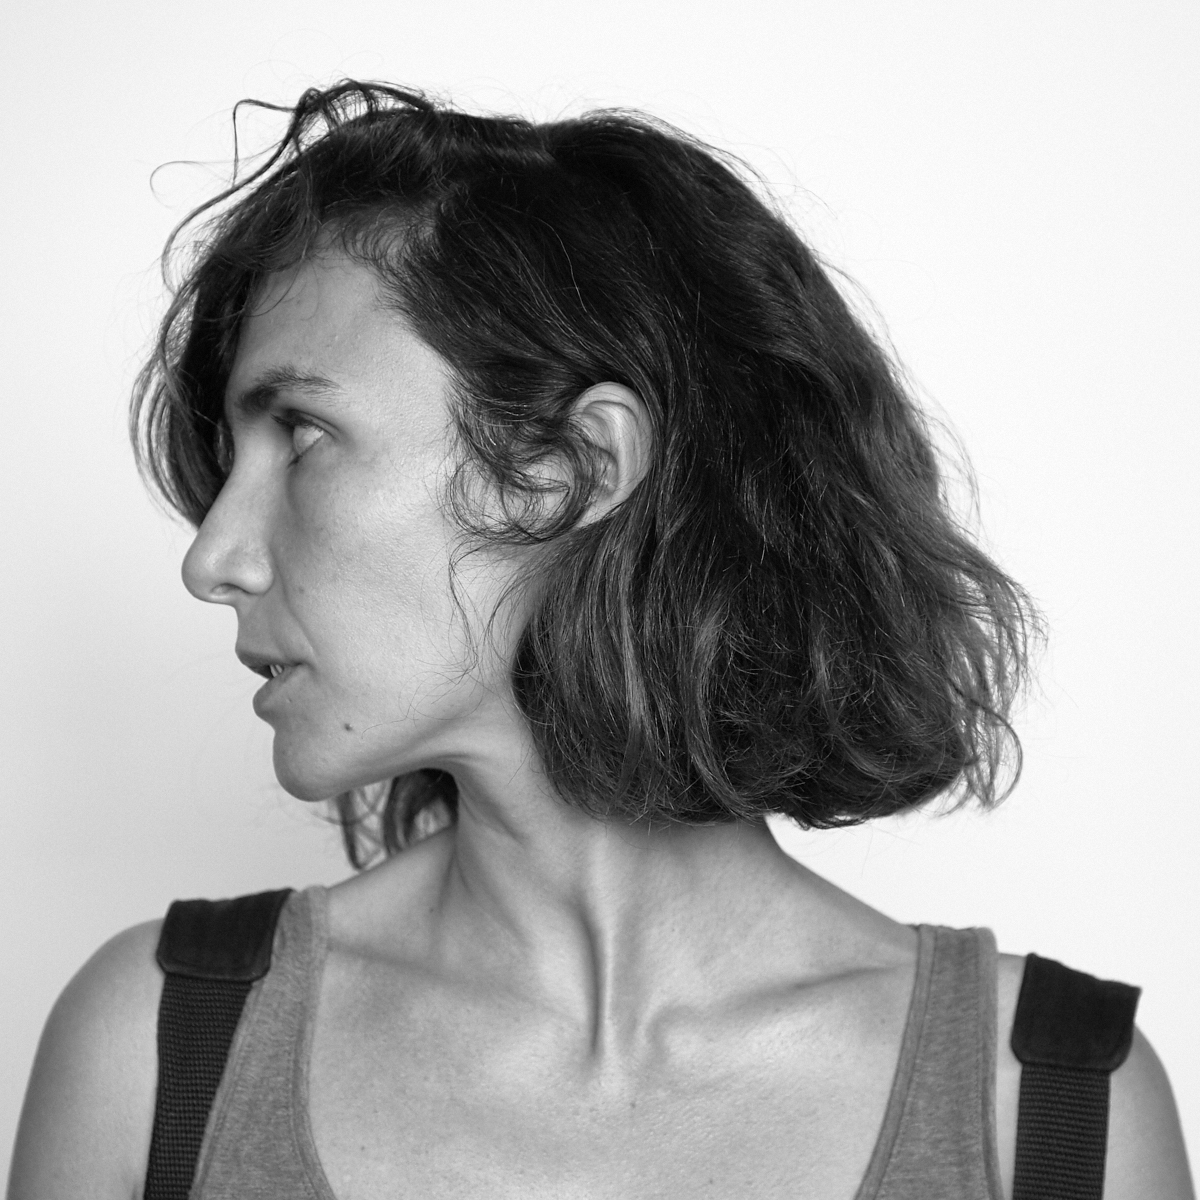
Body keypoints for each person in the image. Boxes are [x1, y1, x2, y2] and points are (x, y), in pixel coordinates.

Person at [8, 81, 1193, 1200]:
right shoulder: (158, 1049)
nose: (212, 558)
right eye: (232, 463)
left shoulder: (1045, 1105)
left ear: (572, 468)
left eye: (303, 434)